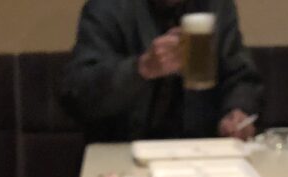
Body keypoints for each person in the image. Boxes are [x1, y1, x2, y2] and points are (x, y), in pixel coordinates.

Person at [60, 0, 264, 143]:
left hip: (200, 152)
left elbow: (241, 77)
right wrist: (141, 68)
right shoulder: (107, 8)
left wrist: (237, 112)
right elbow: (77, 95)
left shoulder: (216, 6)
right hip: (124, 151)